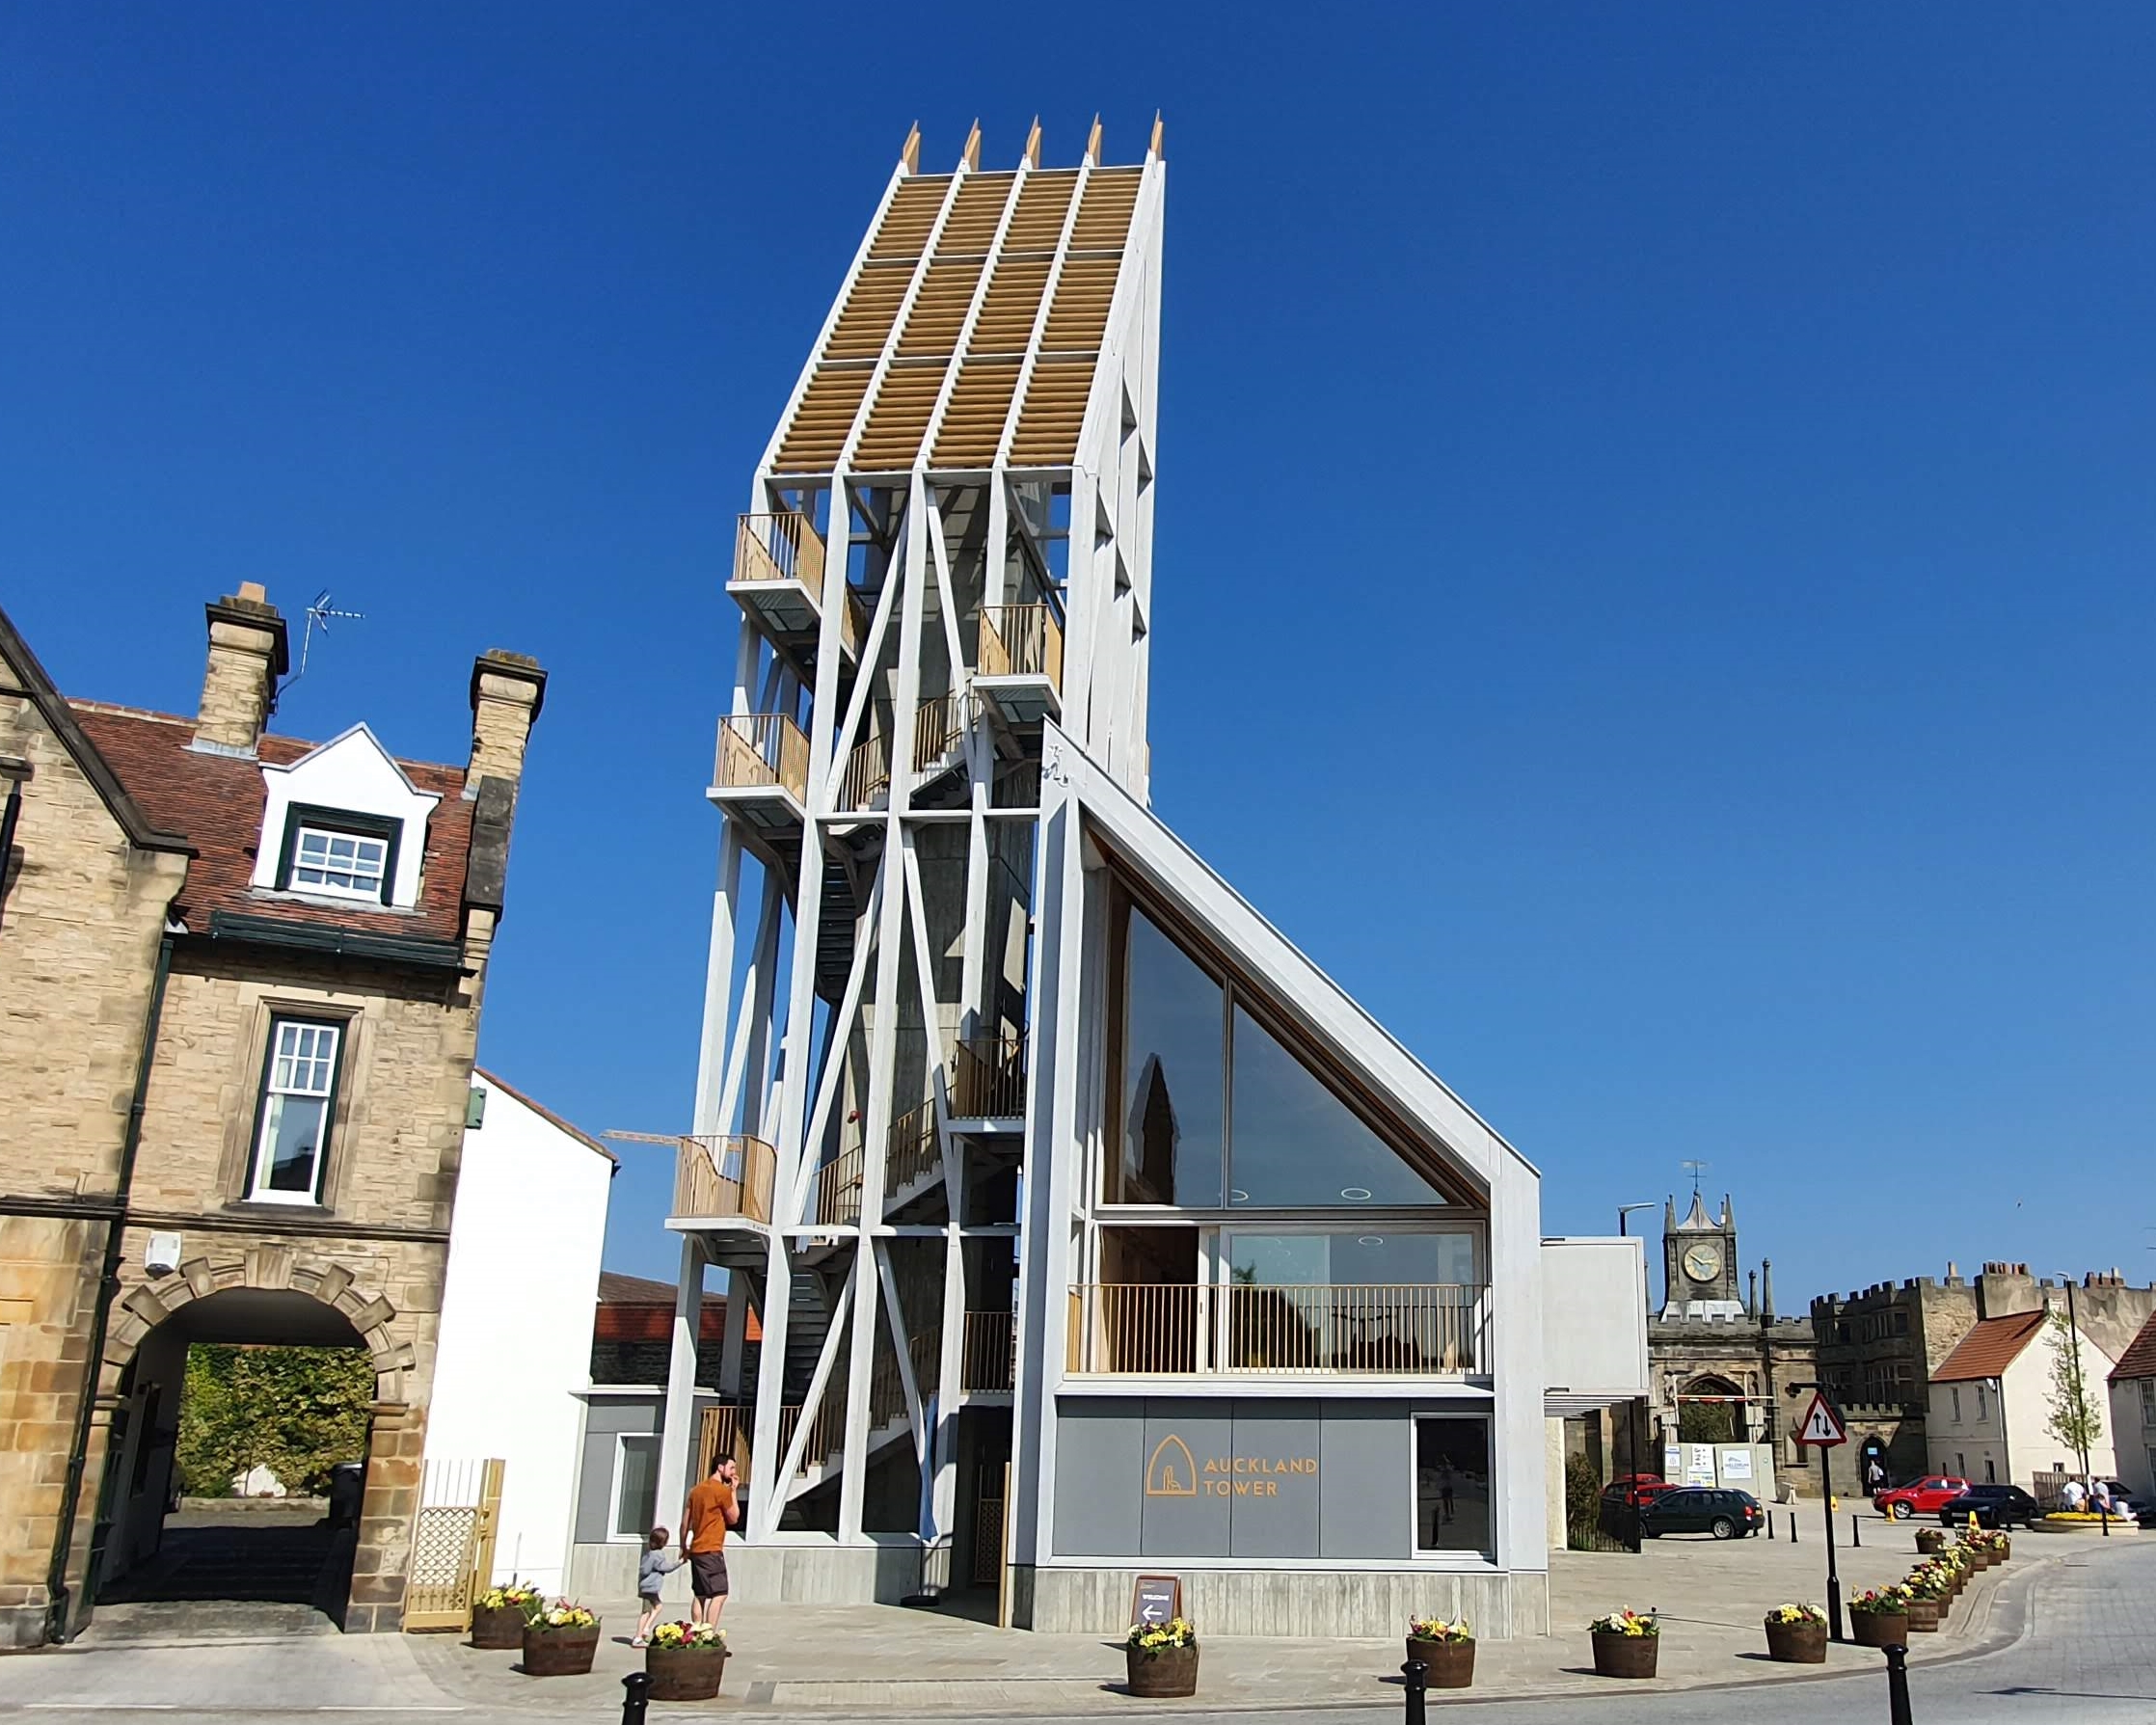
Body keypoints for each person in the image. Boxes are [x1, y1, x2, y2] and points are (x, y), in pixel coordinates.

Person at [682, 1456, 741, 1627]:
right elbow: (734, 1517)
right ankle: (708, 1635)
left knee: (700, 1594)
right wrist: (733, 1491)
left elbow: (685, 1523)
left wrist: (683, 1546)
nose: (734, 1472)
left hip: (696, 1549)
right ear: (720, 1468)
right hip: (712, 1549)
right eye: (732, 1468)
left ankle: (696, 1632)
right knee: (720, 1594)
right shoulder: (721, 1491)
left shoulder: (696, 1491)